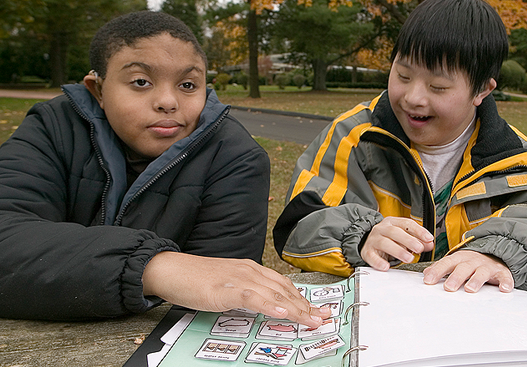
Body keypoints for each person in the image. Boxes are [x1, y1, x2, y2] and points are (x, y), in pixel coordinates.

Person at [0, 11, 329, 326]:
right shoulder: (52, 128)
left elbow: (218, 300)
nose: (168, 102)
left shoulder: (237, 158)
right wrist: (152, 268)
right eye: (141, 81)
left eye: (188, 85)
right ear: (98, 89)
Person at [273, 0, 527, 294]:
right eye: (402, 76)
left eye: (438, 86)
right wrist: (359, 237)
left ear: (482, 91)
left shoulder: (509, 154)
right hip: (376, 318)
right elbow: (297, 227)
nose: (413, 97)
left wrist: (496, 252)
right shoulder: (356, 136)